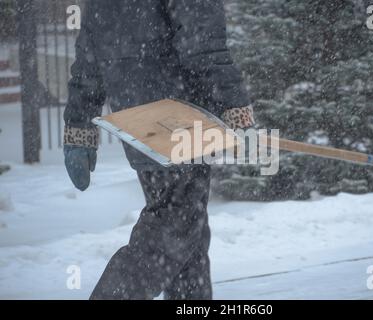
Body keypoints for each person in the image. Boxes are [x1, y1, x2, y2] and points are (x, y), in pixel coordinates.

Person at [63, 0, 255, 300]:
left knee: (187, 231)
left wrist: (78, 130)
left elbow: (89, 59)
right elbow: (203, 46)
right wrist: (235, 107)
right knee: (173, 228)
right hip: (179, 119)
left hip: (138, 122)